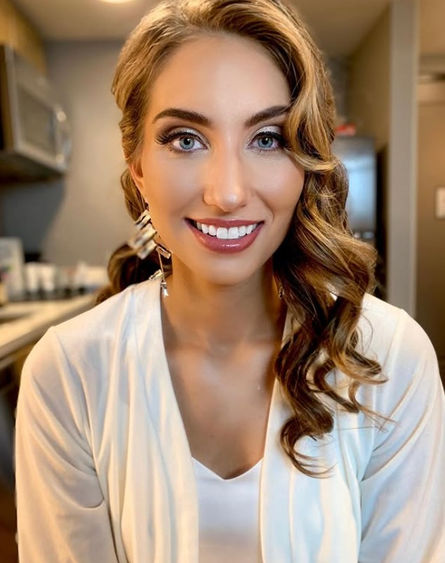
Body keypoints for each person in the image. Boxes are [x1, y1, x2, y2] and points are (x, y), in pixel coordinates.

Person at [14, 0, 445, 561]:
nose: (228, 193)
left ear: (305, 162)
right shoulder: (70, 375)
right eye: (185, 139)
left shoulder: (389, 360)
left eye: (267, 138)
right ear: (138, 166)